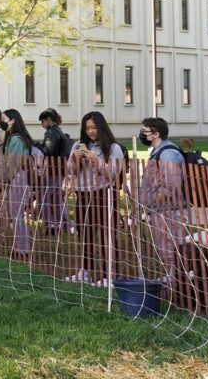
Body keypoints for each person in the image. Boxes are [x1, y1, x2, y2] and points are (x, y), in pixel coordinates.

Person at [63, 111, 125, 286]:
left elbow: (113, 174)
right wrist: (75, 163)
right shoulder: (78, 145)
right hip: (82, 194)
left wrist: (95, 161)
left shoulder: (113, 148)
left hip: (103, 193)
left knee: (107, 235)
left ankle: (109, 275)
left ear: (101, 127)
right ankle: (85, 272)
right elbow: (70, 172)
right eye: (87, 128)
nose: (90, 131)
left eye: (94, 127)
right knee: (85, 234)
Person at [138, 117, 187, 295]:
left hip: (169, 211)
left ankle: (178, 285)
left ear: (156, 133)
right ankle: (172, 279)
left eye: (144, 131)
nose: (142, 134)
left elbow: (171, 185)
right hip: (158, 210)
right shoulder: (158, 151)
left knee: (171, 249)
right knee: (164, 249)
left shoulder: (168, 154)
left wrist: (152, 201)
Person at [0, 109, 34, 259]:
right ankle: (18, 247)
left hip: (16, 178)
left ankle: (22, 249)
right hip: (15, 177)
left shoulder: (16, 140)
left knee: (17, 214)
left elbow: (13, 164)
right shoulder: (12, 138)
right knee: (15, 214)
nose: (2, 121)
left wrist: (4, 179)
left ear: (12, 120)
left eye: (4, 118)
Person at [37, 108, 70, 234]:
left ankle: (51, 224)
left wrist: (37, 145)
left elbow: (48, 151)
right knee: (56, 197)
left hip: (52, 169)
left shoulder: (51, 132)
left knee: (44, 197)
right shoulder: (60, 131)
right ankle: (63, 223)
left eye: (42, 121)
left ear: (48, 120)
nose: (42, 125)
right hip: (60, 168)